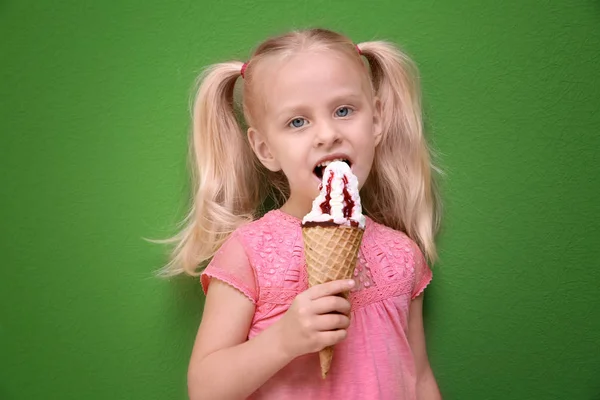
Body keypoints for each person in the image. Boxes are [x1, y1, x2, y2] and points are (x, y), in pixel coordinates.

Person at [159, 27, 444, 399]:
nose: (327, 134)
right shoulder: (249, 252)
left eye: (344, 110)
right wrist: (284, 340)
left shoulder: (402, 254)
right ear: (265, 149)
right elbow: (205, 389)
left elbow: (418, 377)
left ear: (376, 121)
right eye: (298, 121)